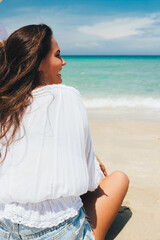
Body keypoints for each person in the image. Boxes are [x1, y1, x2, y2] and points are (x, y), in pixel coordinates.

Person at [0, 24, 129, 240]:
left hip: (5, 229)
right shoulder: (67, 96)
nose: (64, 62)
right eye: (58, 55)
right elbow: (89, 182)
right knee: (119, 179)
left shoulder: (6, 105)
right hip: (59, 233)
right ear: (39, 62)